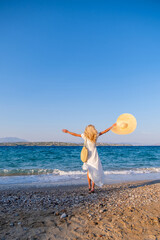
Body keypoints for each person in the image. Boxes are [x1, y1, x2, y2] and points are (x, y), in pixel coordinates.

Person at [62, 123, 116, 193]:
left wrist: (68, 132)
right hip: (94, 156)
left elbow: (75, 134)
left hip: (88, 156)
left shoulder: (85, 136)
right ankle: (93, 188)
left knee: (89, 171)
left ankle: (89, 186)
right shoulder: (96, 136)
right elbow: (105, 131)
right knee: (95, 171)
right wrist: (112, 126)